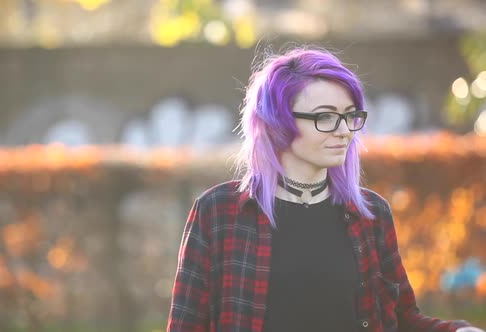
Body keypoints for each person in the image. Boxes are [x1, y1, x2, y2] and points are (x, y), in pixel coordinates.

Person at [167, 48, 484, 332]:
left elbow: (401, 319)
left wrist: (457, 331)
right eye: (326, 118)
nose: (344, 131)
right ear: (278, 123)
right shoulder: (218, 212)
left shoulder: (370, 214)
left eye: (349, 116)